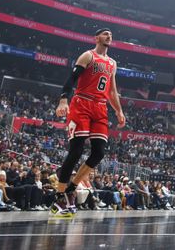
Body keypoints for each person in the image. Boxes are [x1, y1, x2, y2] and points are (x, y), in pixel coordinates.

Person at [51, 28, 126, 219]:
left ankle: (72, 187)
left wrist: (119, 110)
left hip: (100, 107)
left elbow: (111, 91)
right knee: (76, 150)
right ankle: (59, 197)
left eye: (111, 34)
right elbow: (71, 79)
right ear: (96, 38)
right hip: (81, 103)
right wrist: (63, 100)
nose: (109, 36)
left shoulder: (112, 63)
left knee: (99, 152)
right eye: (105, 34)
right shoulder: (87, 55)